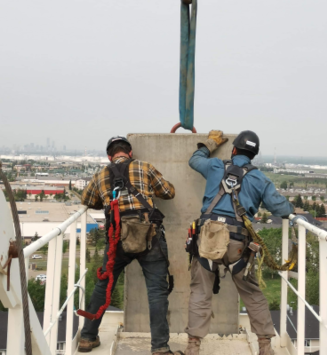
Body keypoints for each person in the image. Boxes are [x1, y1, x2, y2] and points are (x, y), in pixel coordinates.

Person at [184, 130, 296, 355]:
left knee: (200, 291)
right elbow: (282, 208)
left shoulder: (216, 166)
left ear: (233, 150)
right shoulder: (260, 179)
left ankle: (193, 347)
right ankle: (265, 347)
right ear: (253, 155)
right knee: (252, 293)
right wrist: (294, 214)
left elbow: (195, 160)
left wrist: (210, 144)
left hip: (208, 238)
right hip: (238, 244)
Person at [78, 136, 183, 355]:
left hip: (117, 238)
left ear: (109, 156)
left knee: (103, 286)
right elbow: (168, 192)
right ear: (130, 152)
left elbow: (87, 200)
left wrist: (106, 197)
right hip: (148, 236)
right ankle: (160, 348)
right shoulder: (144, 167)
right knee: (156, 292)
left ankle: (87, 338)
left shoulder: (100, 175)